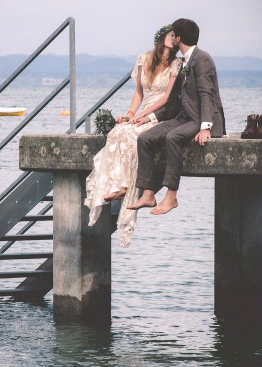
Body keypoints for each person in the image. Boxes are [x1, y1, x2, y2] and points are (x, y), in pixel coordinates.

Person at [84, 24, 181, 247]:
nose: (173, 38)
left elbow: (166, 98)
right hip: (143, 110)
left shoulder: (176, 64)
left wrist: (146, 115)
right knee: (117, 132)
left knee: (131, 137)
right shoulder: (143, 59)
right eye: (170, 34)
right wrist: (130, 114)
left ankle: (127, 185)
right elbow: (139, 92)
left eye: (176, 36)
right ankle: (118, 184)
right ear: (161, 37)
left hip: (159, 116)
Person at [128, 18, 226, 215]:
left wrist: (205, 127)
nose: (170, 37)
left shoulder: (202, 58)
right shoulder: (183, 62)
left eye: (173, 34)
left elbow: (207, 94)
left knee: (173, 138)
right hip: (184, 117)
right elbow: (172, 101)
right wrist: (149, 118)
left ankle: (171, 196)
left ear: (179, 38)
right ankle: (148, 194)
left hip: (200, 119)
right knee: (145, 138)